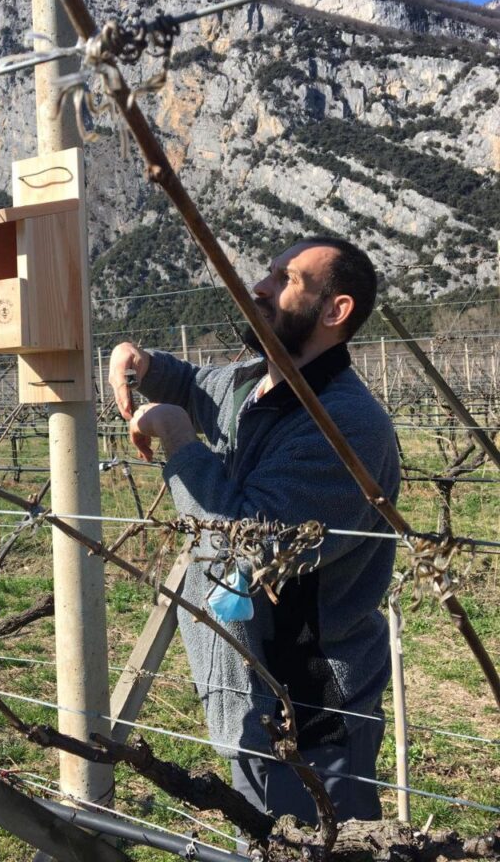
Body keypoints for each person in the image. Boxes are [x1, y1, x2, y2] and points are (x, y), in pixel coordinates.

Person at [109, 236, 399, 826]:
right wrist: (141, 362)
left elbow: (247, 549)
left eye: (284, 279)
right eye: (265, 273)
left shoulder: (346, 427)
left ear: (334, 311)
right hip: (244, 696)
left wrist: (180, 441)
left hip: (311, 714)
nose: (258, 288)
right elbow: (194, 384)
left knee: (314, 844)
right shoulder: (248, 383)